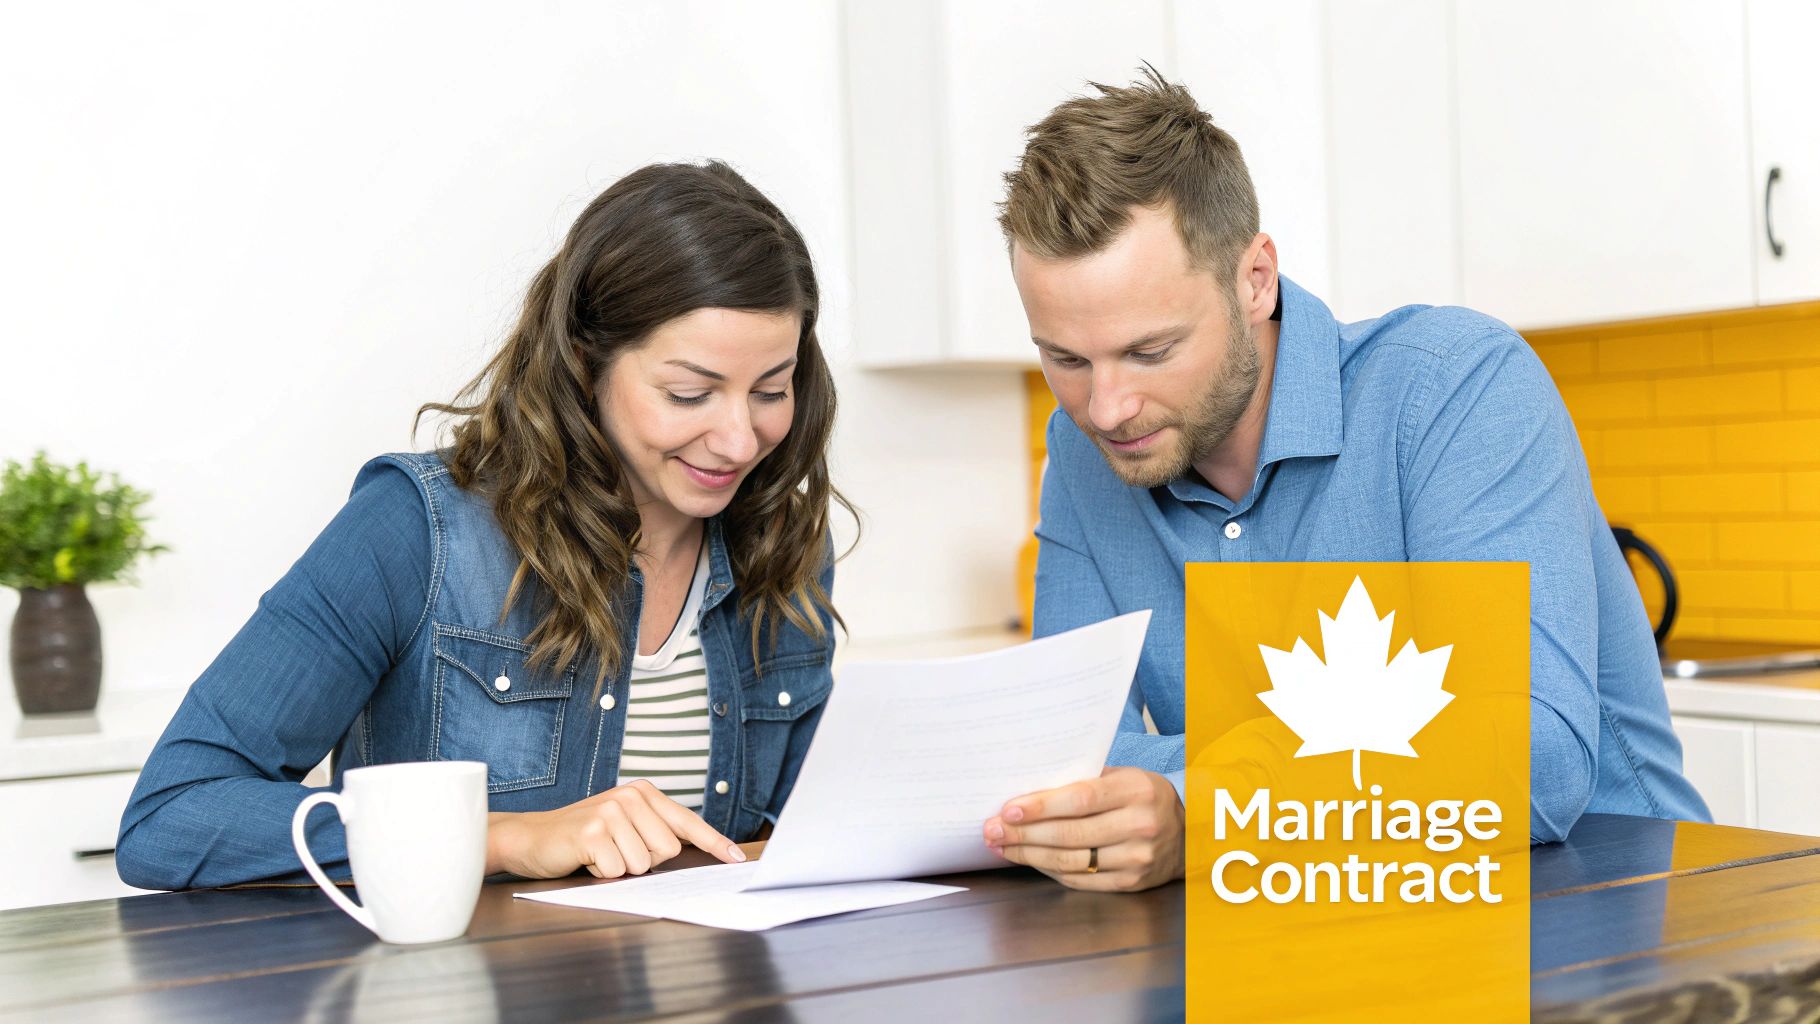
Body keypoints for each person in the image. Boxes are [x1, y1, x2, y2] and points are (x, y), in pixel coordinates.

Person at [980, 70, 1708, 892]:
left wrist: (1203, 805)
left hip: (1600, 919)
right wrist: (1351, 758)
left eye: (1150, 351)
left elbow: (1523, 765)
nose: (1106, 408)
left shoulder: (1455, 388)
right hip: (1313, 915)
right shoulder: (1082, 456)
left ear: (1255, 280)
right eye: (1065, 359)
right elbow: (1064, 767)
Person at [117, 160, 848, 889]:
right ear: (585, 359)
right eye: (690, 393)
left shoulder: (782, 546)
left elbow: (806, 838)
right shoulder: (418, 531)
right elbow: (172, 816)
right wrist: (498, 838)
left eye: (771, 390)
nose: (739, 440)